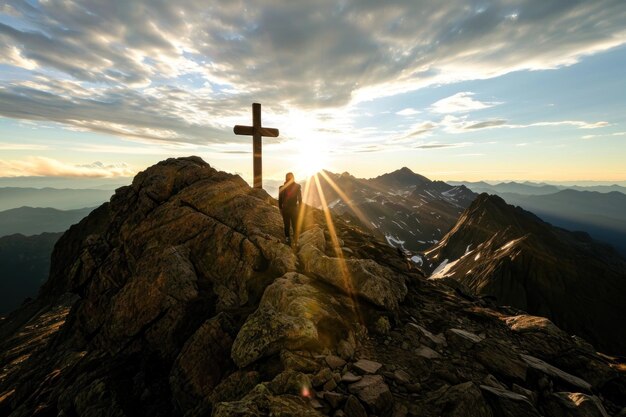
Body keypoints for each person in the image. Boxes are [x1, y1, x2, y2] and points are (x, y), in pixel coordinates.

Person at [279, 172, 302, 245]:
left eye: (289, 177)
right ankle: (292, 239)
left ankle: (291, 239)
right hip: (290, 209)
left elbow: (300, 199)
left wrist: (280, 208)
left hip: (289, 209)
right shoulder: (297, 186)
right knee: (291, 224)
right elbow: (300, 199)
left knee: (290, 224)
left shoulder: (297, 186)